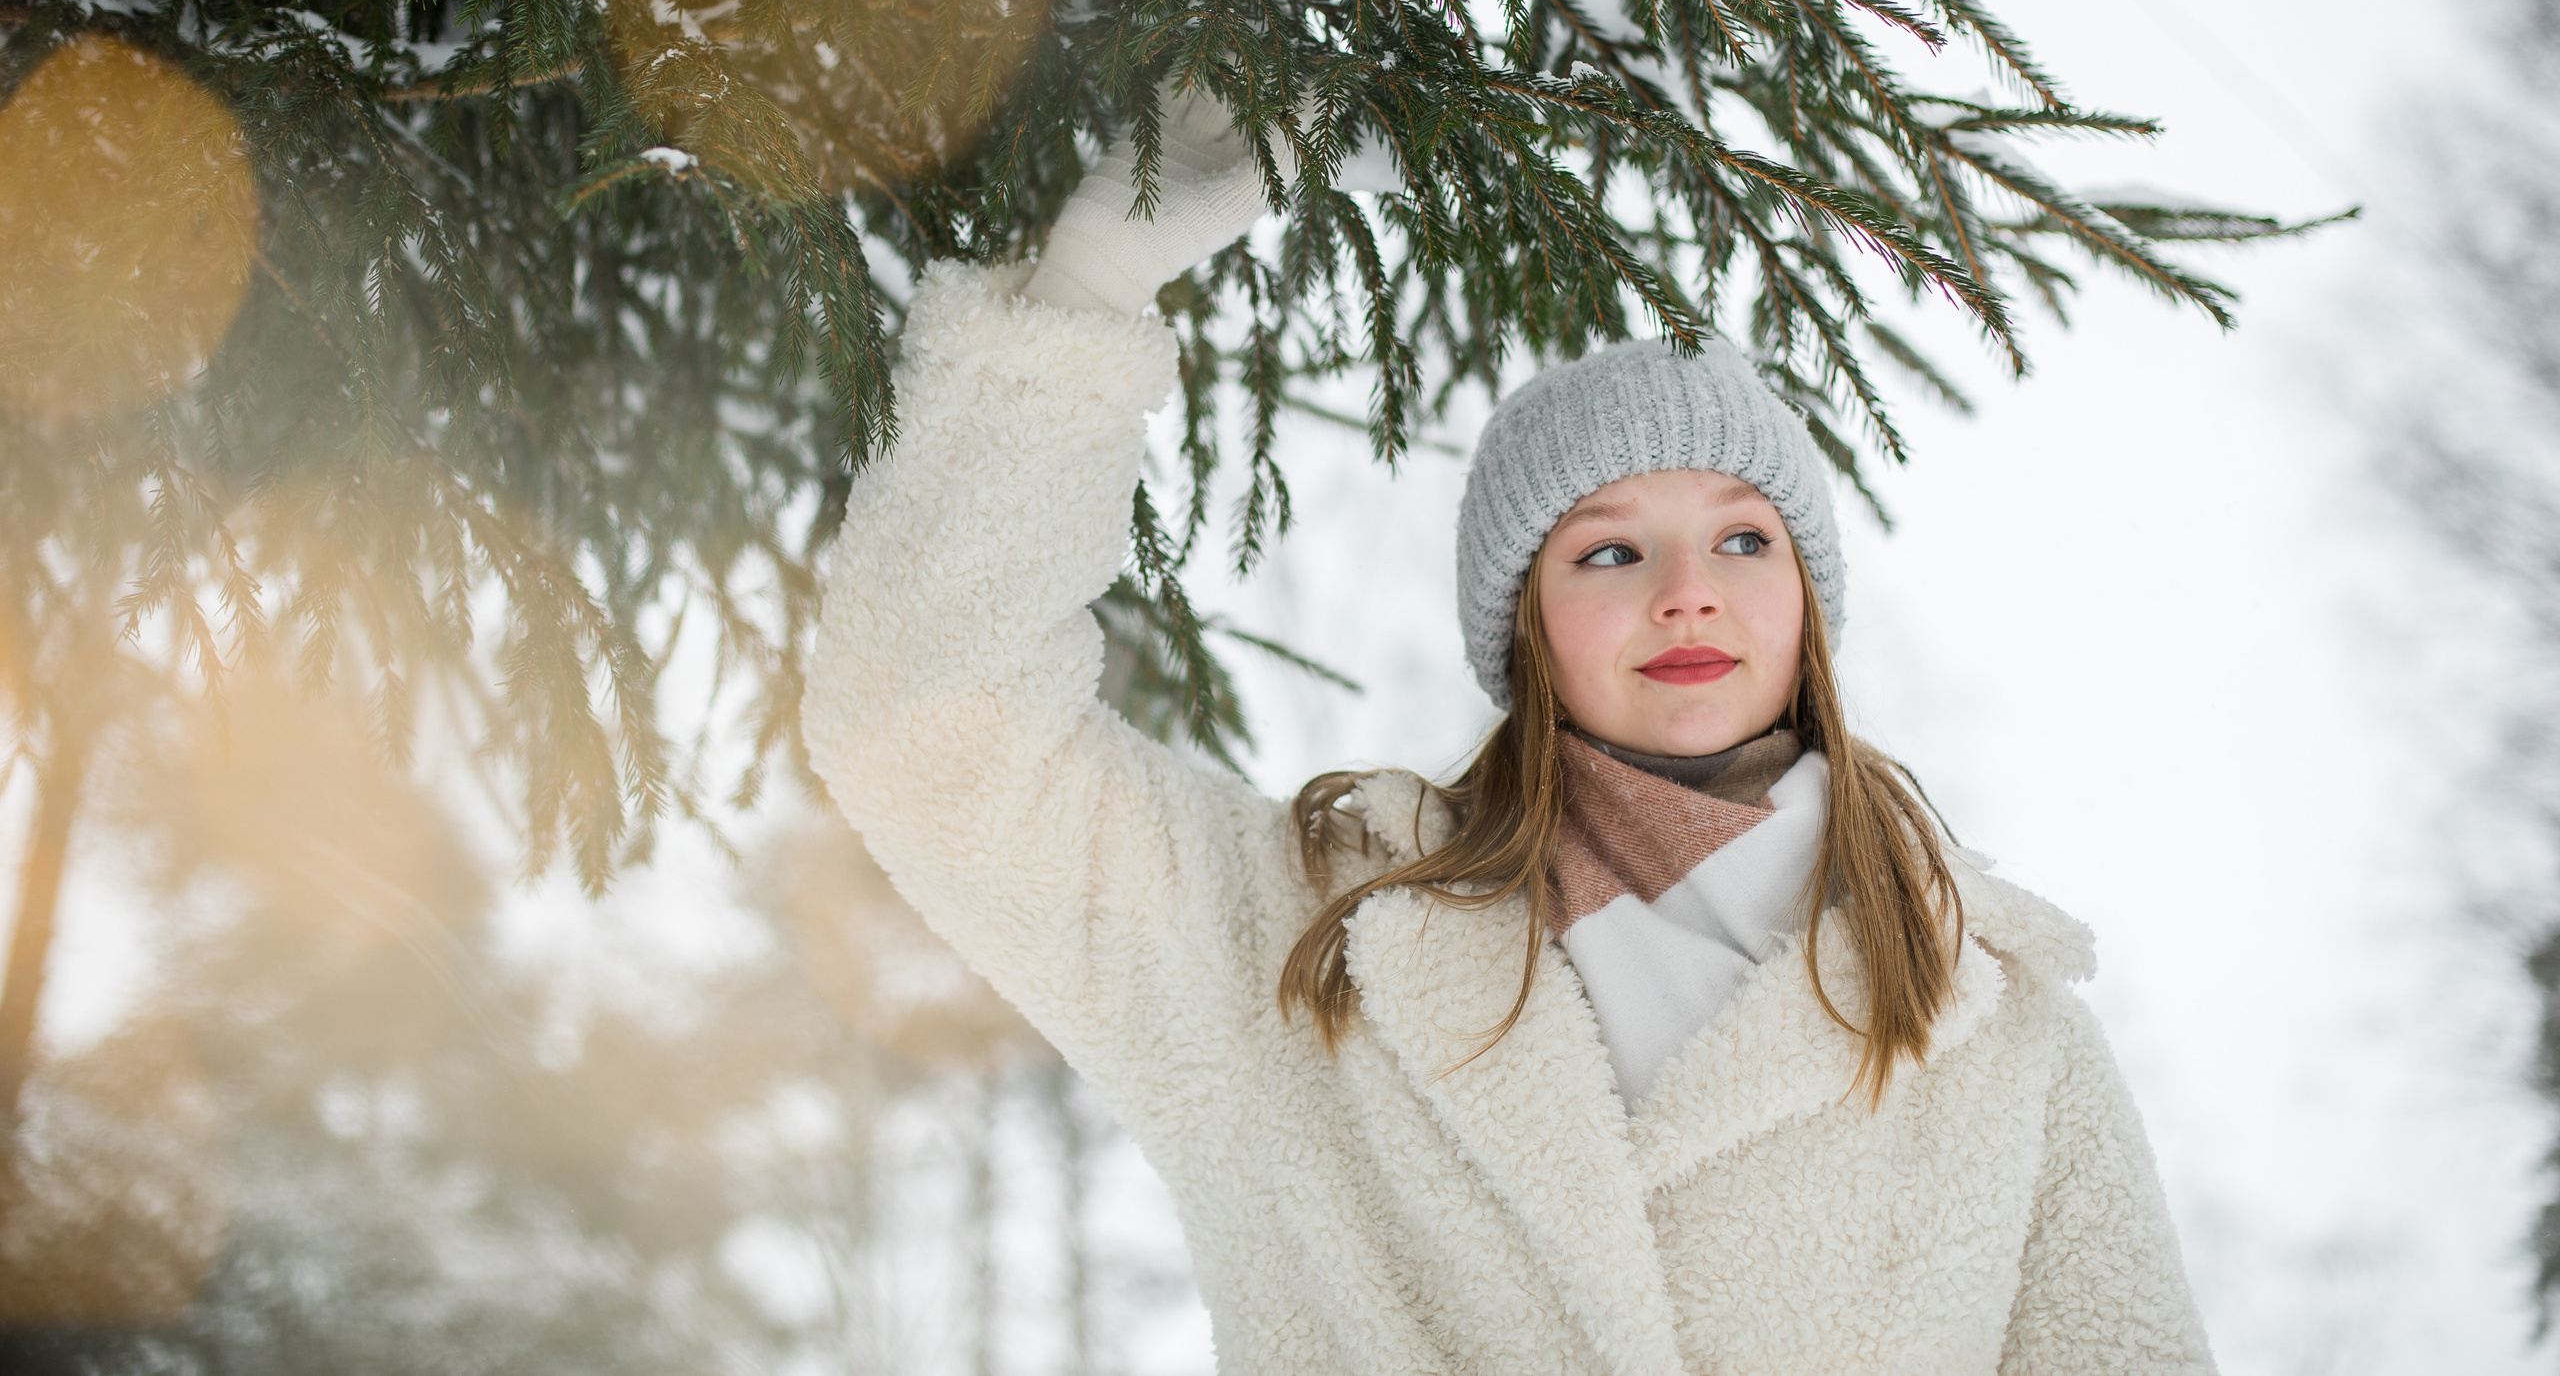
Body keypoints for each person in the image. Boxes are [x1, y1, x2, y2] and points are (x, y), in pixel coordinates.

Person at [806, 91, 2216, 1374]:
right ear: (1523, 625)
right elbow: (925, 727)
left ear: (1806, 603)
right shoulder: (1303, 947)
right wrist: (1083, 301)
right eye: (1608, 553)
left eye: (1742, 538)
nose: (1687, 593)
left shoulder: (1997, 1026)